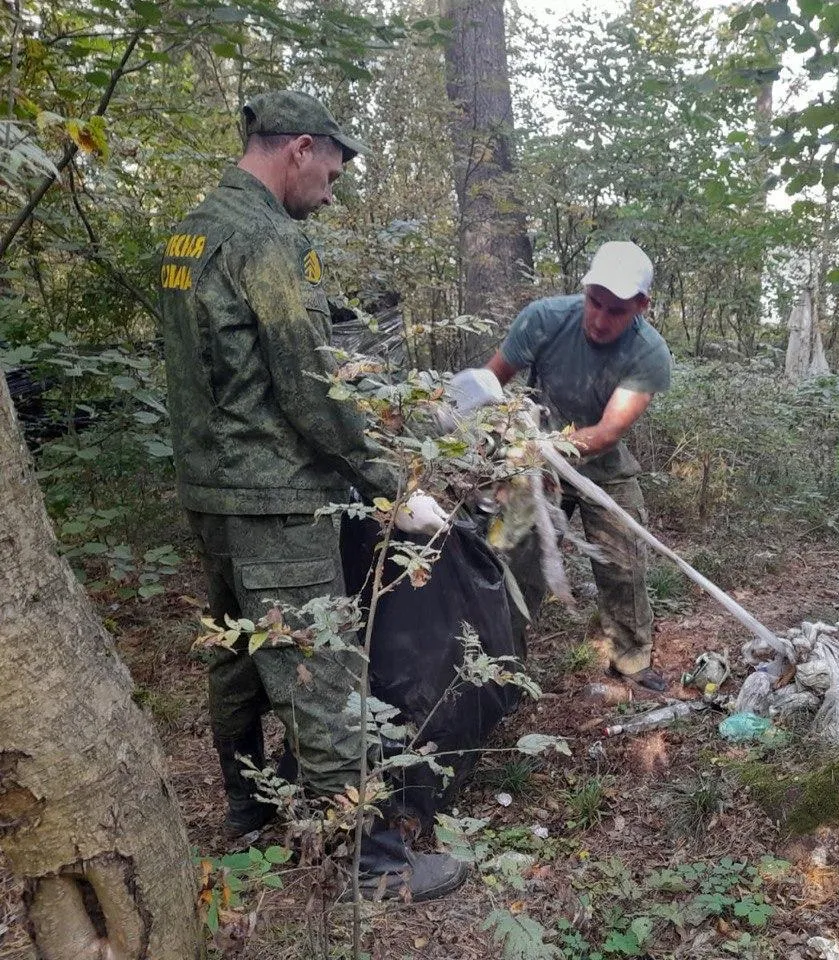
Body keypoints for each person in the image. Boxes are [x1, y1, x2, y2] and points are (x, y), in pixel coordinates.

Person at [157, 90, 464, 899]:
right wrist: (393, 483)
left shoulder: (191, 232)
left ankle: (248, 813)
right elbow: (310, 385)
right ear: (298, 147)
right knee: (320, 670)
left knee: (236, 659)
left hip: (210, 489)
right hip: (278, 499)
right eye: (331, 167)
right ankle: (374, 866)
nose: (332, 188)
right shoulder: (269, 240)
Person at [484, 241, 673, 692]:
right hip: (531, 465)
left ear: (641, 306)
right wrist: (492, 441)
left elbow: (608, 431)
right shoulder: (544, 318)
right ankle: (499, 668)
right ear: (584, 290)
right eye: (595, 302)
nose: (600, 319)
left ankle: (630, 659)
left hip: (602, 465)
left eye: (617, 310)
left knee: (623, 561)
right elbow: (490, 383)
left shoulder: (649, 353)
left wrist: (543, 448)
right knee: (508, 556)